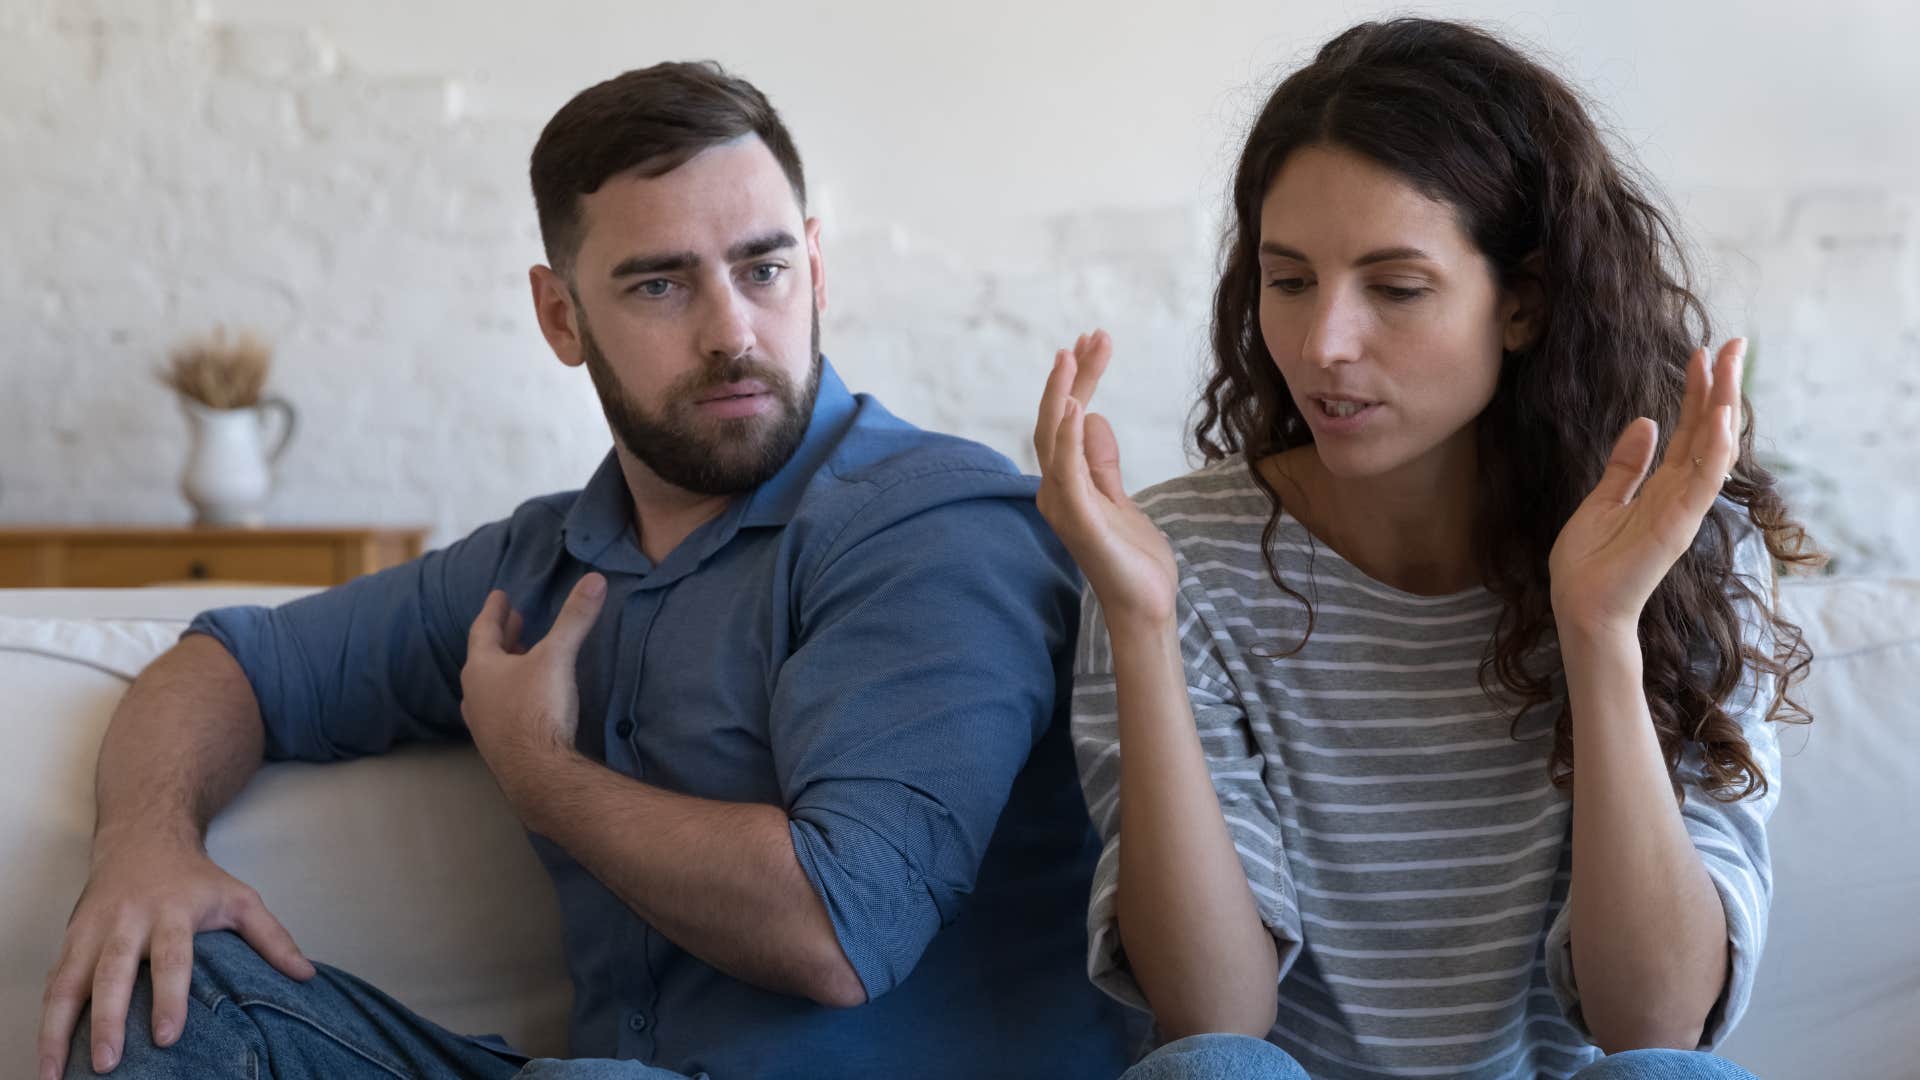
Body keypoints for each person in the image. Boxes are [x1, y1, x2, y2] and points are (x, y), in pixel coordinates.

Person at [37, 61, 1133, 1080]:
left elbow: (842, 929)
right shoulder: (539, 561)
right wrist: (143, 849)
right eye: (661, 286)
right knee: (158, 992)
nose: (733, 331)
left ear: (816, 269)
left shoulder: (930, 525)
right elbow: (228, 665)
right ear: (561, 316)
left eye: (764, 269)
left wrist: (541, 773)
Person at [1032, 19, 1819, 1080]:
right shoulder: (1173, 559)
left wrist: (1598, 630)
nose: (1325, 345)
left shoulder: (1678, 549)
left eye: (1395, 288)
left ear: (1525, 303)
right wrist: (1141, 623)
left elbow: (1657, 1022)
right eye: (1291, 281)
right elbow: (1211, 1016)